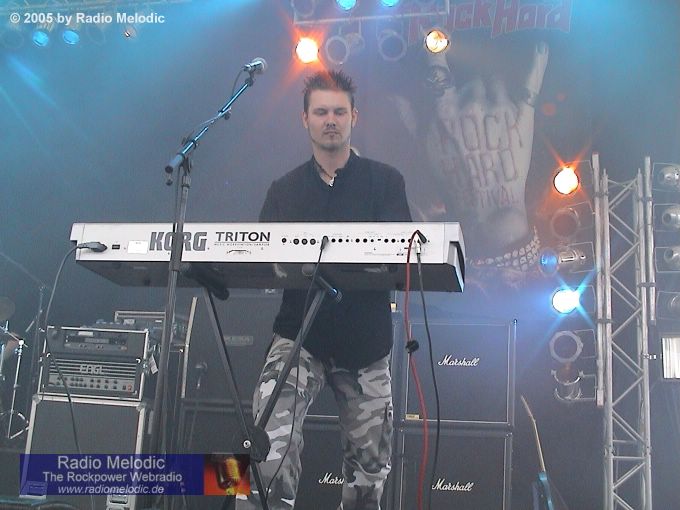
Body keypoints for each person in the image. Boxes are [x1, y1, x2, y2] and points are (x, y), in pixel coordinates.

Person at [236, 70, 411, 510]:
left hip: (365, 342)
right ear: (305, 120)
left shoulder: (386, 181)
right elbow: (263, 259)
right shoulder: (284, 190)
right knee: (264, 445)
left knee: (370, 473)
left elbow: (400, 256)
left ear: (354, 117)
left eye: (338, 111)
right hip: (299, 336)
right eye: (320, 112)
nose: (330, 120)